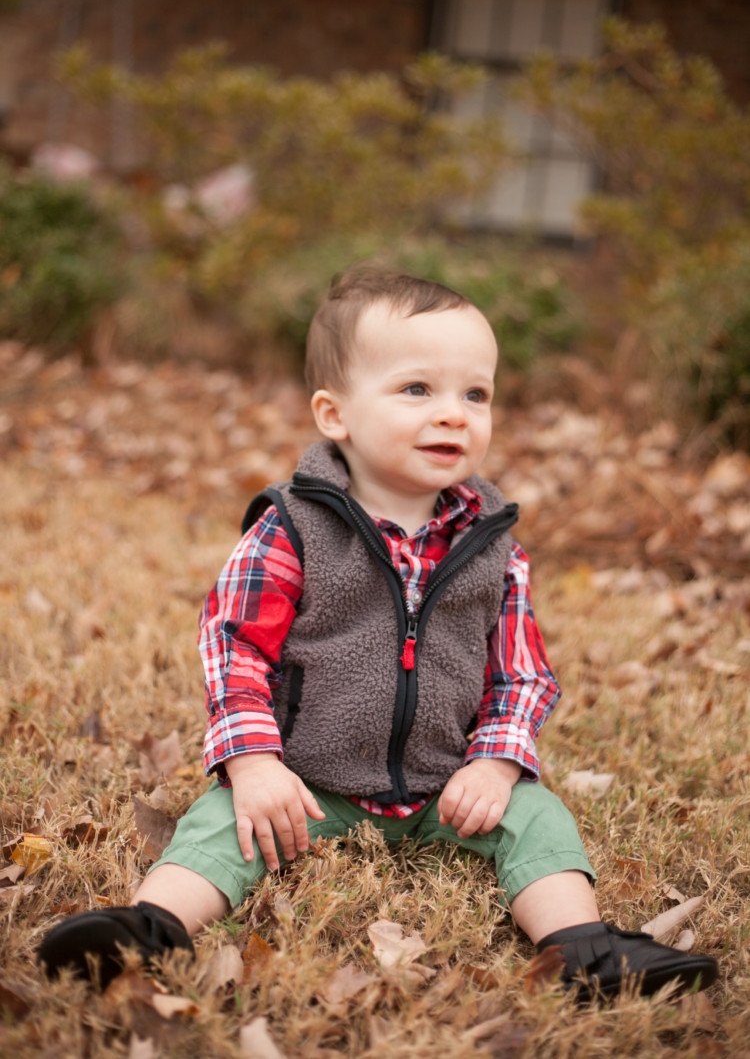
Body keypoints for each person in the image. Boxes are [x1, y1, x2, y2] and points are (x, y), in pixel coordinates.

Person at [39, 268, 717, 999]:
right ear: (335, 414)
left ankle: (584, 947)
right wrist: (256, 764)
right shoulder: (293, 529)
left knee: (538, 816)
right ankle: (151, 924)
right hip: (308, 781)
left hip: (445, 784)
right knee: (218, 823)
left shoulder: (493, 547)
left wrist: (492, 766)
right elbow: (233, 644)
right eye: (417, 389)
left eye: (475, 394)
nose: (454, 413)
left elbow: (521, 674)